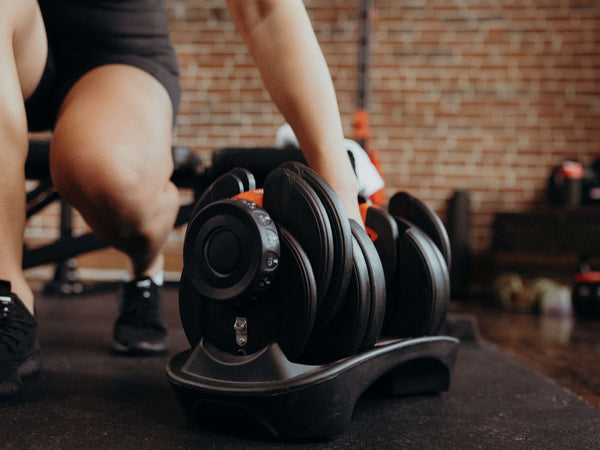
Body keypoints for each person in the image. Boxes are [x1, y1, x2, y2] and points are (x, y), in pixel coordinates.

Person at [0, 0, 360, 400]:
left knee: (112, 179)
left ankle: (144, 262)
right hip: (13, 29)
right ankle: (5, 292)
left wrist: (338, 188)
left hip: (116, 48)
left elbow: (264, 9)